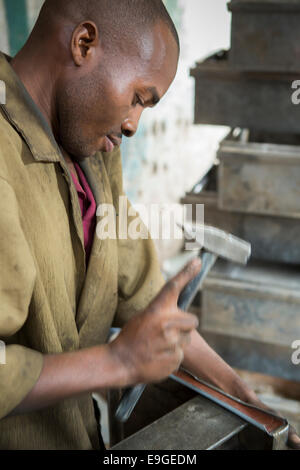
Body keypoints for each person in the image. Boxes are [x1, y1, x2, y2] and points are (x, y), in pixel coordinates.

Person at [0, 0, 298, 450]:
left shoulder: (93, 152)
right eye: (138, 97)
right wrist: (117, 362)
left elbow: (141, 295)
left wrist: (252, 405)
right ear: (84, 43)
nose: (133, 123)